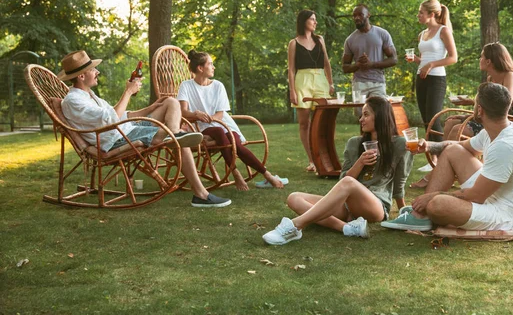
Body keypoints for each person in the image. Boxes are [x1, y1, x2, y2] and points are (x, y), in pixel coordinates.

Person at [58, 50, 231, 208]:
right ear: (81, 76)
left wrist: (150, 108)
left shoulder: (89, 95)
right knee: (180, 141)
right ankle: (201, 194)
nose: (97, 72)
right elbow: (111, 117)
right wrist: (127, 92)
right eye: (93, 70)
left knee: (170, 102)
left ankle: (174, 135)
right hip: (118, 139)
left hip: (127, 128)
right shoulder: (74, 101)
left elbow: (121, 115)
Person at [381, 82, 513, 233]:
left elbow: (476, 196)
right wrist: (429, 146)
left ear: (480, 110)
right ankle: (420, 216)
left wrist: (431, 196)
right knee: (453, 150)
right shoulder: (495, 131)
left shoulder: (506, 145)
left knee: (437, 205)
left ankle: (425, 210)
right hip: (497, 196)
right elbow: (459, 147)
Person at [262, 96, 413, 245]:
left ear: (380, 116)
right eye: (361, 115)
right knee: (294, 198)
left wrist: (405, 216)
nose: (361, 119)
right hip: (347, 206)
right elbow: (342, 181)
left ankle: (295, 225)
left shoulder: (399, 145)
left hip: (375, 207)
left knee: (349, 183)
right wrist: (360, 163)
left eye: (366, 114)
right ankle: (347, 228)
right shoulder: (354, 143)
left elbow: (399, 184)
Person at [412, 41, 513, 188]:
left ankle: (438, 173)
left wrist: (471, 115)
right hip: (491, 118)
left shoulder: (510, 76)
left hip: (509, 123)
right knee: (451, 122)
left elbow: (503, 105)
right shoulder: (491, 78)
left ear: (489, 61)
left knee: (457, 130)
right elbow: (490, 102)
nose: (479, 59)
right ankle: (445, 167)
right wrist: (469, 104)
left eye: (481, 57)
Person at [178, 50, 285, 191]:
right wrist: (196, 114)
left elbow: (220, 115)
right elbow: (183, 112)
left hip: (224, 124)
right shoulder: (186, 86)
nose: (213, 67)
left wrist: (210, 118)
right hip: (201, 126)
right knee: (218, 132)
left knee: (234, 142)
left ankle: (266, 175)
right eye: (210, 64)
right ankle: (237, 172)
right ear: (200, 68)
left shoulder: (218, 86)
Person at [408, 0, 457, 174]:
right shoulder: (422, 34)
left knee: (434, 118)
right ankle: (434, 159)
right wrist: (419, 61)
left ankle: (443, 158)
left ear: (432, 14)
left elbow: (453, 57)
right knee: (426, 119)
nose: (418, 15)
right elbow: (425, 58)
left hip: (437, 79)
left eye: (421, 12)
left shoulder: (444, 31)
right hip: (421, 78)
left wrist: (431, 65)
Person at [287, 10, 335, 172]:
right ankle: (312, 160)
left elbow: (327, 63)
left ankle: (325, 157)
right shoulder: (294, 43)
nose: (315, 22)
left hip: (320, 80)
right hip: (303, 81)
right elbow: (291, 69)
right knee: (304, 123)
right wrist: (292, 91)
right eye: (312, 20)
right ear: (303, 22)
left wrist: (331, 83)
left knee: (322, 121)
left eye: (315, 19)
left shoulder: (320, 40)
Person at [342, 4, 397, 115]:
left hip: (377, 83)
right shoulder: (350, 39)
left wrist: (372, 64)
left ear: (368, 15)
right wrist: (358, 65)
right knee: (362, 118)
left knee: (380, 115)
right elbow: (345, 67)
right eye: (354, 15)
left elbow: (394, 59)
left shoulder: (382, 34)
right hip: (359, 84)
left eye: (360, 15)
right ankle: (364, 134)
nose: (357, 18)